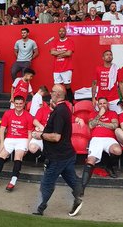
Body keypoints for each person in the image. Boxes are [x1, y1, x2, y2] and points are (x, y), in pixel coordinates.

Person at [32, 84, 84, 217]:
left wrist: (40, 135)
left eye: (52, 91)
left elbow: (56, 137)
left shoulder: (60, 112)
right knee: (71, 179)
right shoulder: (62, 109)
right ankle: (78, 197)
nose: (50, 93)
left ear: (57, 94)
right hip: (67, 154)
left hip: (58, 157)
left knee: (47, 182)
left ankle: (39, 208)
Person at [0, 95, 33, 191]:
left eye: (21, 103)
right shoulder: (8, 113)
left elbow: (30, 133)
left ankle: (12, 182)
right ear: (13, 103)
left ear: (24, 104)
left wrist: (27, 146)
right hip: (10, 138)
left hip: (22, 139)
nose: (18, 105)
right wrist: (1, 143)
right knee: (1, 155)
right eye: (16, 103)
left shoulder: (28, 116)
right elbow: (2, 129)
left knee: (18, 157)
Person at [81, 96, 123, 188]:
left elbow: (114, 125)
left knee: (118, 151)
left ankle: (109, 166)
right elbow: (91, 126)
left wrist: (101, 123)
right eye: (100, 103)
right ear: (97, 105)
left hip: (109, 138)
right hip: (96, 138)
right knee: (90, 160)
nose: (102, 105)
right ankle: (82, 187)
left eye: (104, 103)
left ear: (107, 104)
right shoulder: (93, 114)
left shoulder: (112, 113)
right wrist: (99, 115)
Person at [50, 27, 75, 100]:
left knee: (67, 85)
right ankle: (60, 101)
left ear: (65, 32)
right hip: (56, 68)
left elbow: (69, 53)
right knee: (58, 86)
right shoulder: (55, 41)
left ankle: (70, 101)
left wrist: (57, 53)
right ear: (58, 33)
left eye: (63, 31)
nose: (61, 32)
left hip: (67, 67)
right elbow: (52, 52)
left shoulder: (70, 41)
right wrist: (64, 52)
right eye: (60, 31)